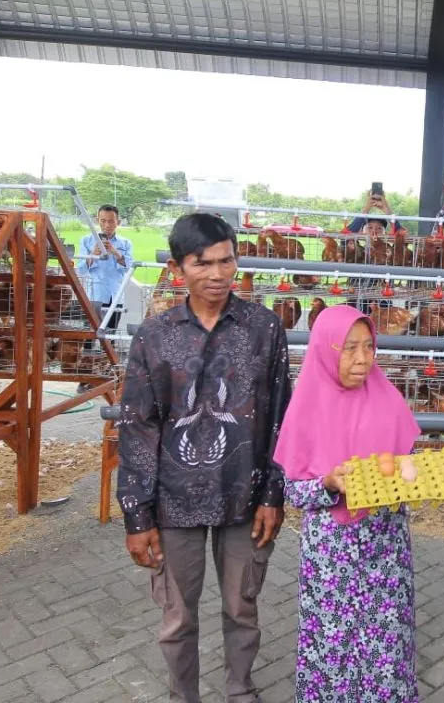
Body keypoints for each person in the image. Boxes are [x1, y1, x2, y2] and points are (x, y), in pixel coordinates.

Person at [116, 213, 290, 703]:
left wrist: (273, 494)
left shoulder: (263, 328)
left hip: (245, 495)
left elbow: (281, 416)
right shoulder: (154, 336)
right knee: (177, 617)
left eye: (226, 261)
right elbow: (138, 427)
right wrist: (137, 515)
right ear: (177, 268)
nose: (217, 274)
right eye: (202, 263)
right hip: (173, 502)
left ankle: (241, 691)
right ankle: (182, 697)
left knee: (242, 609)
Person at [273, 306, 421, 702]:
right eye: (350, 348)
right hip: (331, 557)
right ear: (326, 349)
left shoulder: (386, 398)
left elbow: (408, 464)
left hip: (385, 550)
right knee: (332, 646)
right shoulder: (306, 408)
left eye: (369, 347)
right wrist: (327, 483)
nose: (362, 359)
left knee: (386, 645)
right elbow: (293, 490)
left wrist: (411, 478)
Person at [79, 203, 134, 327]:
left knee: (111, 333)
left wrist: (116, 252)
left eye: (111, 221)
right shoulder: (86, 241)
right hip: (94, 295)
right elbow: (81, 269)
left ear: (118, 222)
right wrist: (93, 254)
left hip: (116, 295)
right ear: (97, 220)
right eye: (103, 221)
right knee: (89, 332)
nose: (107, 225)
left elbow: (130, 267)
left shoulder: (126, 243)